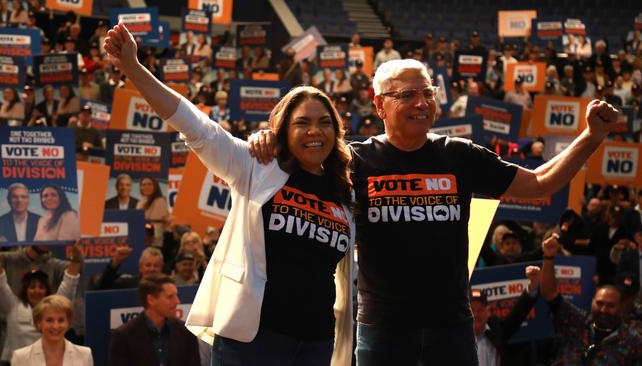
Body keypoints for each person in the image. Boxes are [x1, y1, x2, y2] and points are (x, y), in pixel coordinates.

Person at [249, 58, 620, 365]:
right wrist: (269, 139)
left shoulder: (459, 154)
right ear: (379, 105)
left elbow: (541, 183)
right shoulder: (353, 161)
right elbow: (301, 154)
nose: (422, 102)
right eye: (407, 95)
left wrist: (591, 137)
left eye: (428, 92)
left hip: (452, 331)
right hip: (382, 331)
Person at [104, 23, 355, 365]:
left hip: (317, 341)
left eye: (325, 122)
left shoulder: (344, 191)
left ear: (337, 131)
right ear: (283, 129)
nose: (315, 131)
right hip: (252, 340)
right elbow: (195, 125)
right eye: (302, 122)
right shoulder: (257, 166)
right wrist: (133, 67)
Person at [540, 233, 642, 364]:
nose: (603, 310)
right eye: (599, 303)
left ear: (620, 307)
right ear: (592, 301)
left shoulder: (632, 342)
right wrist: (548, 257)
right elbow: (550, 293)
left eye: (610, 306)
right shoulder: (577, 321)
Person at [0, 240, 83, 364]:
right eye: (32, 287)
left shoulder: (56, 307)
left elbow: (70, 283)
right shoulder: (12, 306)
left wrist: (76, 260)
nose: (37, 291)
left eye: (41, 287)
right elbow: (0, 283)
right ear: (25, 290)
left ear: (47, 289)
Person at [108, 273, 200, 366]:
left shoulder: (185, 332)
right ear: (151, 300)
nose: (177, 301)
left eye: (176, 295)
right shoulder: (123, 336)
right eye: (170, 297)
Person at [471, 266, 541, 366]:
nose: (476, 314)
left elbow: (518, 314)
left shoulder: (496, 328)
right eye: (472, 310)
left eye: (480, 309)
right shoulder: (458, 335)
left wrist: (533, 287)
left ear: (488, 311)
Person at [11, 294, 93, 365]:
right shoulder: (20, 357)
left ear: (68, 323)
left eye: (61, 320)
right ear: (39, 323)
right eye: (49, 320)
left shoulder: (84, 354)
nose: (55, 326)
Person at [97, 246, 164, 290]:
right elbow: (103, 287)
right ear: (140, 267)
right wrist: (116, 261)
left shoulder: (167, 287)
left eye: (156, 266)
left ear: (161, 268)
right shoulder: (129, 283)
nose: (152, 269)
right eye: (148, 265)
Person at [136, 176, 169, 247]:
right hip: (142, 238)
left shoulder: (160, 200)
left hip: (154, 241)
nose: (146, 187)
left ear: (155, 186)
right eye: (143, 185)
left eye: (149, 184)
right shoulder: (140, 201)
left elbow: (155, 223)